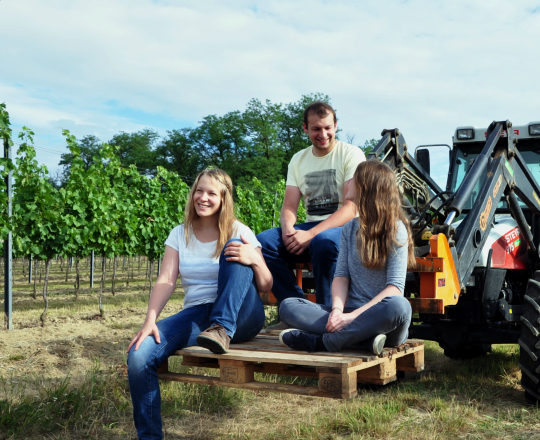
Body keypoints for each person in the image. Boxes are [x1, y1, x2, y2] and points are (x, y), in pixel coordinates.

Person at [126, 168, 272, 439]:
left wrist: (253, 258)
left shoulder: (239, 230)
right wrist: (150, 321)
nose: (203, 197)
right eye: (199, 191)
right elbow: (167, 280)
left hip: (242, 315)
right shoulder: (179, 234)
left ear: (224, 198)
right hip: (199, 316)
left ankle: (222, 328)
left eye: (211, 193)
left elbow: (265, 285)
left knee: (235, 248)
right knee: (138, 355)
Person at [276, 160, 413, 354]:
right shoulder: (349, 228)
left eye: (353, 180)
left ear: (366, 188)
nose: (348, 183)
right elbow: (341, 276)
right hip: (349, 314)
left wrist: (352, 318)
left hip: (383, 320)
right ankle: (364, 342)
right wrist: (337, 311)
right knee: (288, 306)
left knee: (400, 306)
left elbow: (395, 289)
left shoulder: (396, 229)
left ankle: (324, 343)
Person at [258, 100, 365, 329]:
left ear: (336, 126)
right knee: (264, 243)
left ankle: (328, 317)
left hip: (347, 227)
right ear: (305, 128)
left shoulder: (351, 154)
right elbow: (289, 206)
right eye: (316, 128)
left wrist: (311, 234)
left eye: (327, 127)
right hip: (312, 228)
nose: (323, 134)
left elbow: (352, 208)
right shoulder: (298, 159)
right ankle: (296, 311)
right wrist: (289, 230)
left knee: (323, 242)